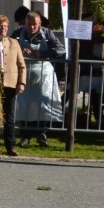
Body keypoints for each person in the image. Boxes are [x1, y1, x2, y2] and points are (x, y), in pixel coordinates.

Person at [15, 11, 65, 148]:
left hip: (44, 74)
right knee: (24, 104)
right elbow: (9, 47)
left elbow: (60, 49)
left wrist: (41, 53)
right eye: (29, 24)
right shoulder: (18, 33)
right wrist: (19, 52)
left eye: (35, 24)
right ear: (25, 23)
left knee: (43, 104)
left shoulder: (47, 33)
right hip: (24, 73)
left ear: (40, 23)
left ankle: (42, 133)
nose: (32, 27)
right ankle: (25, 136)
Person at [0, 14, 26, 156]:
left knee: (10, 117)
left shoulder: (14, 43)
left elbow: (21, 65)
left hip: (10, 83)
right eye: (0, 26)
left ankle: (11, 146)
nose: (3, 29)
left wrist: (21, 82)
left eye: (5, 26)